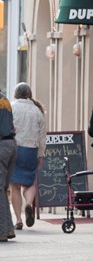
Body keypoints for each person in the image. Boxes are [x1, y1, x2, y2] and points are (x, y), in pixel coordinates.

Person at [9, 84, 48, 231]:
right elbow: (42, 137)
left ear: (16, 94)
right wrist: (40, 154)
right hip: (31, 150)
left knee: (14, 186)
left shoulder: (11, 107)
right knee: (29, 183)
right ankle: (28, 204)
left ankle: (18, 220)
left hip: (15, 148)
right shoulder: (37, 111)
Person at [0, 90, 16, 240]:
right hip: (11, 144)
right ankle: (8, 229)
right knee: (3, 189)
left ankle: (2, 232)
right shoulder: (4, 99)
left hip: (1, 145)